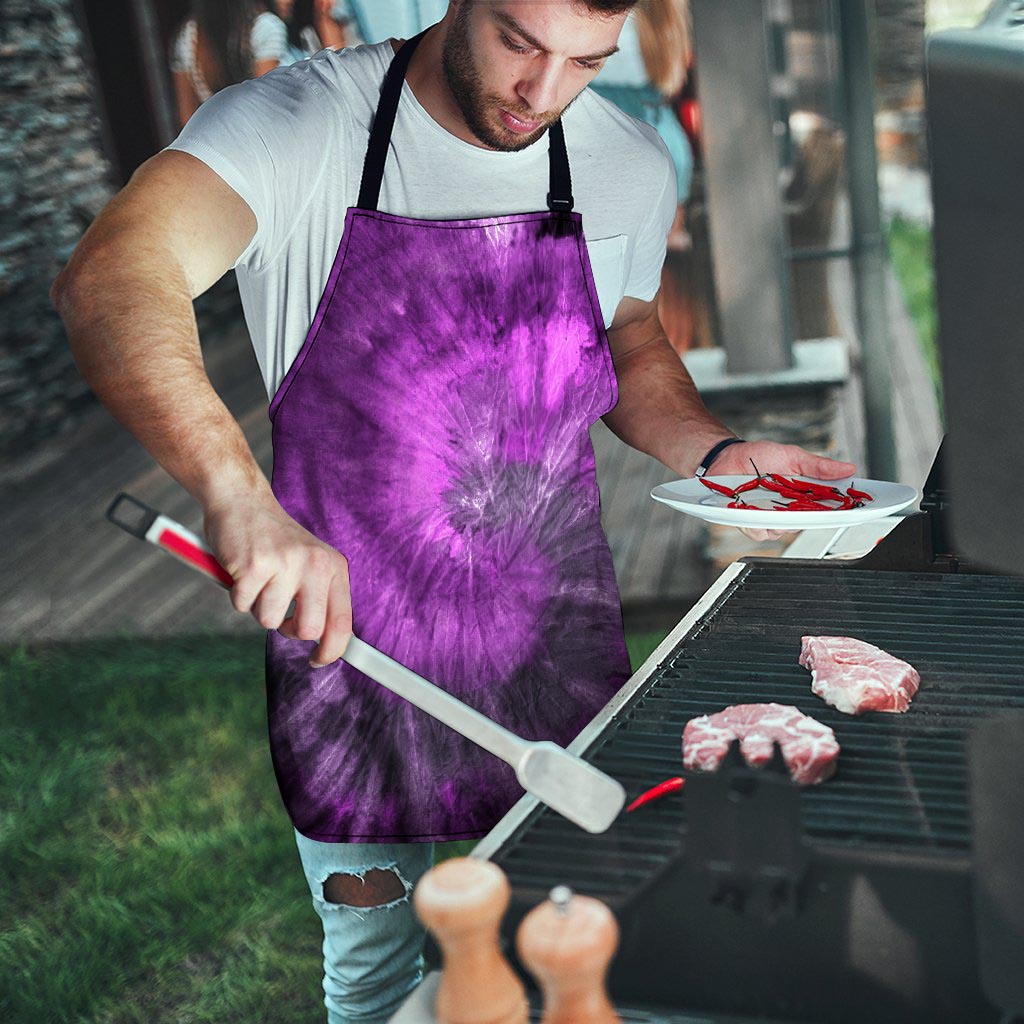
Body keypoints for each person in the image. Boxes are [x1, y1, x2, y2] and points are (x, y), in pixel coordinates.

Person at [53, 2, 856, 1020]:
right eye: (521, 43)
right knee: (381, 980)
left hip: (556, 656)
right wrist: (236, 495)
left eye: (585, 62)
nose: (543, 93)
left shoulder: (623, 160)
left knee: (580, 955)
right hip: (354, 669)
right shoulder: (299, 126)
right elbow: (113, 275)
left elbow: (631, 334)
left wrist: (717, 449)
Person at [171, 0, 289, 126]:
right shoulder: (265, 27)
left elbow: (187, 117)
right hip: (263, 135)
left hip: (215, 137)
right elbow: (266, 104)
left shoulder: (187, 35)